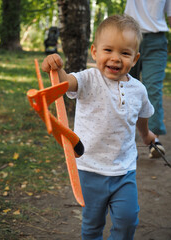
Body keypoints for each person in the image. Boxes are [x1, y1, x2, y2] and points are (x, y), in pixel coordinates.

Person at [42, 15, 156, 240]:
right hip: (89, 168)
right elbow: (66, 83)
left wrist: (146, 135)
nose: (115, 58)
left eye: (124, 53)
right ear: (95, 52)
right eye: (108, 50)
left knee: (128, 220)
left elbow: (142, 116)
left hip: (124, 170)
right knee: (92, 225)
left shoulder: (139, 90)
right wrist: (55, 68)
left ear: (135, 59)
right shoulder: (89, 78)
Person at [125, 0, 171, 158]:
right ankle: (126, 141)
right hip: (128, 36)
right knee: (124, 88)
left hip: (156, 40)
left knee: (153, 89)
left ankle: (153, 140)